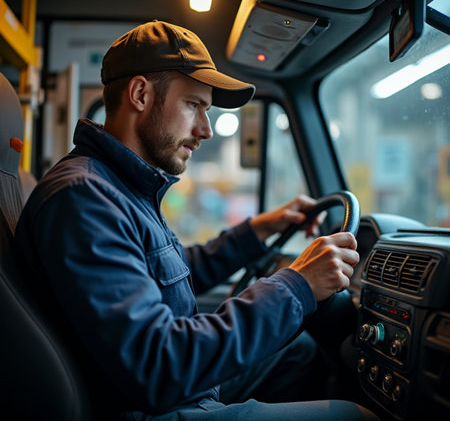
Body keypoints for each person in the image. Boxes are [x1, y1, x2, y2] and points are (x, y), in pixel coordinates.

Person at [14, 21, 378, 421]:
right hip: (148, 408)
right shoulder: (82, 198)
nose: (205, 130)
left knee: (298, 353)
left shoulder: (120, 186)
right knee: (354, 417)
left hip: (170, 392)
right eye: (194, 106)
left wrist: (257, 232)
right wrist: (298, 285)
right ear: (140, 94)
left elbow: (169, 274)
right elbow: (159, 366)